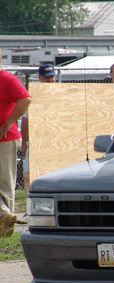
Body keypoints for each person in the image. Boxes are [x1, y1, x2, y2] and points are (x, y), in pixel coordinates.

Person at [0, 49, 32, 237]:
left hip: (6, 138)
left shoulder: (7, 79)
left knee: (5, 184)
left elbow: (25, 99)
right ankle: (5, 214)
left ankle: (6, 227)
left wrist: (9, 121)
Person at [20, 64, 56, 192]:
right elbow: (25, 119)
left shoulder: (62, 93)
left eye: (52, 77)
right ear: (40, 77)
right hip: (37, 140)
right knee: (27, 176)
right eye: (47, 78)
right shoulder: (33, 96)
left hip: (58, 141)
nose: (50, 80)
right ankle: (29, 206)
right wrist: (24, 142)